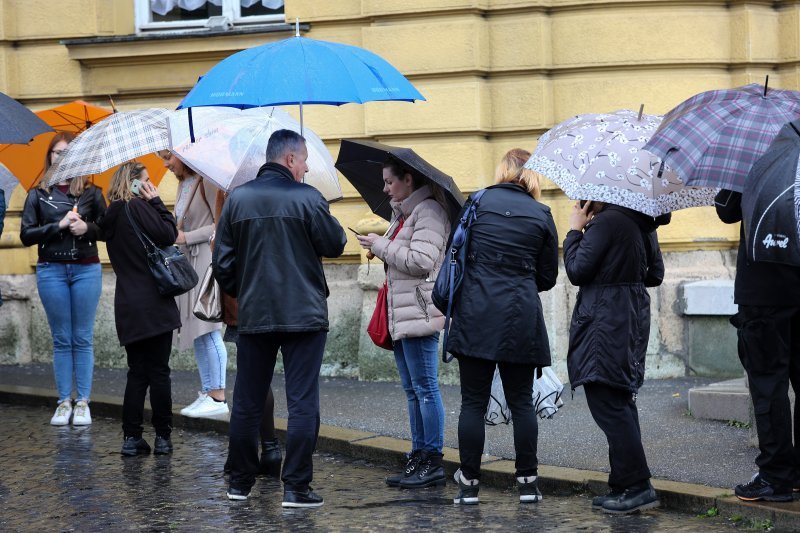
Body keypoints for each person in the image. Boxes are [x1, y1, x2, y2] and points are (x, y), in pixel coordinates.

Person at [214, 129, 346, 506]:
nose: (306, 167)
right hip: (304, 314)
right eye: (304, 159)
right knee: (303, 401)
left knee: (247, 400)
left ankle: (239, 482)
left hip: (256, 314)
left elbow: (222, 264)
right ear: (289, 159)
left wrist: (248, 290)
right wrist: (318, 210)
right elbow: (335, 244)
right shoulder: (309, 198)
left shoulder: (237, 200)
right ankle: (296, 488)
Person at [444, 148, 558, 505]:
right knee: (522, 401)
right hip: (519, 315)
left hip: (475, 312)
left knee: (473, 403)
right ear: (534, 176)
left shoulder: (477, 202)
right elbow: (548, 277)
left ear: (502, 170)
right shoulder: (542, 213)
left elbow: (455, 253)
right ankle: (528, 483)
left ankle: (470, 485)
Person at [563, 199, 668, 514]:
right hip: (630, 314)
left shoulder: (607, 222)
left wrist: (574, 230)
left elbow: (577, 270)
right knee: (620, 399)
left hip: (605, 320)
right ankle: (624, 483)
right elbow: (655, 274)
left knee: (608, 401)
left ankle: (637, 486)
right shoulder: (641, 220)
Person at [356, 159, 450, 489]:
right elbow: (404, 254)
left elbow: (421, 261)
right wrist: (380, 246)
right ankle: (418, 456)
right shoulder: (405, 213)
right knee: (413, 391)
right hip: (404, 312)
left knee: (425, 389)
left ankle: (432, 460)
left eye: (389, 182)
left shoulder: (429, 212)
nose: (384, 189)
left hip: (421, 313)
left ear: (407, 179)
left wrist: (381, 245)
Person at [716, 189, 800, 502]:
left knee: (768, 384)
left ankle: (776, 476)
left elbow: (726, 210)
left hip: (765, 287)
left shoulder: (752, 150)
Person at [20, 132, 106, 426]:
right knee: (61, 339)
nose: (62, 157)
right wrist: (58, 225)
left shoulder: (92, 193)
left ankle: (82, 401)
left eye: (68, 152)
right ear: (50, 157)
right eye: (57, 152)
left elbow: (108, 229)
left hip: (86, 269)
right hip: (51, 270)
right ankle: (63, 401)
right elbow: (25, 235)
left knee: (81, 337)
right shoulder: (38, 194)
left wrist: (87, 229)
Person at [99, 162, 180, 456]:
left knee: (137, 373)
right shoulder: (139, 207)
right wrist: (156, 201)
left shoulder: (110, 214)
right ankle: (162, 438)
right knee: (158, 372)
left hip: (128, 305)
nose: (150, 185)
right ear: (133, 183)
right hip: (153, 302)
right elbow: (169, 234)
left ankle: (131, 438)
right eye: (146, 181)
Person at [213, 189, 281, 477]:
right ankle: (270, 448)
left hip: (244, 297)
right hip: (278, 293)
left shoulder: (230, 192)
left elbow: (222, 250)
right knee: (259, 375)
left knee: (248, 378)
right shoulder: (284, 189)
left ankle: (246, 454)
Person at [159, 151, 228, 419]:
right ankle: (208, 390)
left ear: (183, 156)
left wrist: (186, 236)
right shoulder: (183, 183)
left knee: (208, 328)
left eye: (168, 158)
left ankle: (219, 396)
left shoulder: (206, 181)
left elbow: (218, 223)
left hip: (205, 259)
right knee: (197, 330)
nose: (165, 164)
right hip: (190, 260)